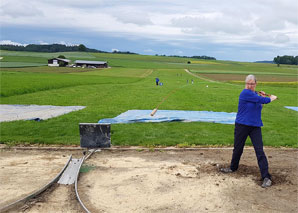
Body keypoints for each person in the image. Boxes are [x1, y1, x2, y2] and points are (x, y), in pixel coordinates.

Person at [220, 74, 277, 188]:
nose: (250, 85)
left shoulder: (254, 94)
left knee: (259, 150)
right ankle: (233, 167)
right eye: (248, 83)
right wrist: (271, 98)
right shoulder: (245, 93)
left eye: (252, 84)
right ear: (245, 84)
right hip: (242, 125)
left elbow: (259, 104)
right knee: (238, 148)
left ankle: (266, 177)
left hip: (255, 126)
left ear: (256, 84)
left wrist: (260, 98)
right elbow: (264, 100)